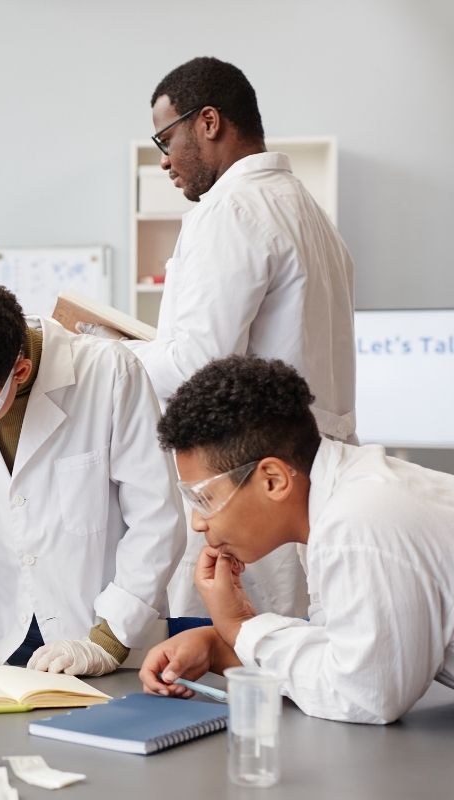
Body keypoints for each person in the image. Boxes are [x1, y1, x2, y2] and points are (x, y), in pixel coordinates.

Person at [115, 56, 357, 618]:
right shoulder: (311, 214)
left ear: (208, 122)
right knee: (296, 659)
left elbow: (197, 368)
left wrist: (107, 354)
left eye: (165, 138)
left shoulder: (231, 209)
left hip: (248, 488)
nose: (165, 161)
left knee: (235, 666)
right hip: (306, 483)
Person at [140, 356, 454, 724]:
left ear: (272, 479)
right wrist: (220, 647)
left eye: (204, 498)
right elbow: (344, 647)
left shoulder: (359, 521)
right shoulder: (341, 494)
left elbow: (368, 695)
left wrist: (239, 626)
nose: (197, 523)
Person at [0, 280, 184, 675]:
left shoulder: (109, 372)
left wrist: (109, 639)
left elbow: (156, 518)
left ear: (19, 371)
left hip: (97, 632)